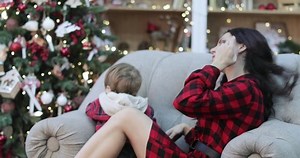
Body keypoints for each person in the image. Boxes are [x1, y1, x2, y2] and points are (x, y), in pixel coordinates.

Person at [75, 28, 298, 158]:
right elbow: (216, 136)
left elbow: (185, 101)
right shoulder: (237, 87)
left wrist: (216, 66)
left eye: (222, 43)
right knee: (126, 118)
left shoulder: (246, 88)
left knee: (128, 115)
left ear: (240, 48)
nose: (213, 49)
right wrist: (188, 130)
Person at [85, 63, 155, 158]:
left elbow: (90, 110)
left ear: (108, 88)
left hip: (108, 146)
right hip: (133, 148)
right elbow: (151, 126)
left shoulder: (104, 101)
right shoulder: (141, 105)